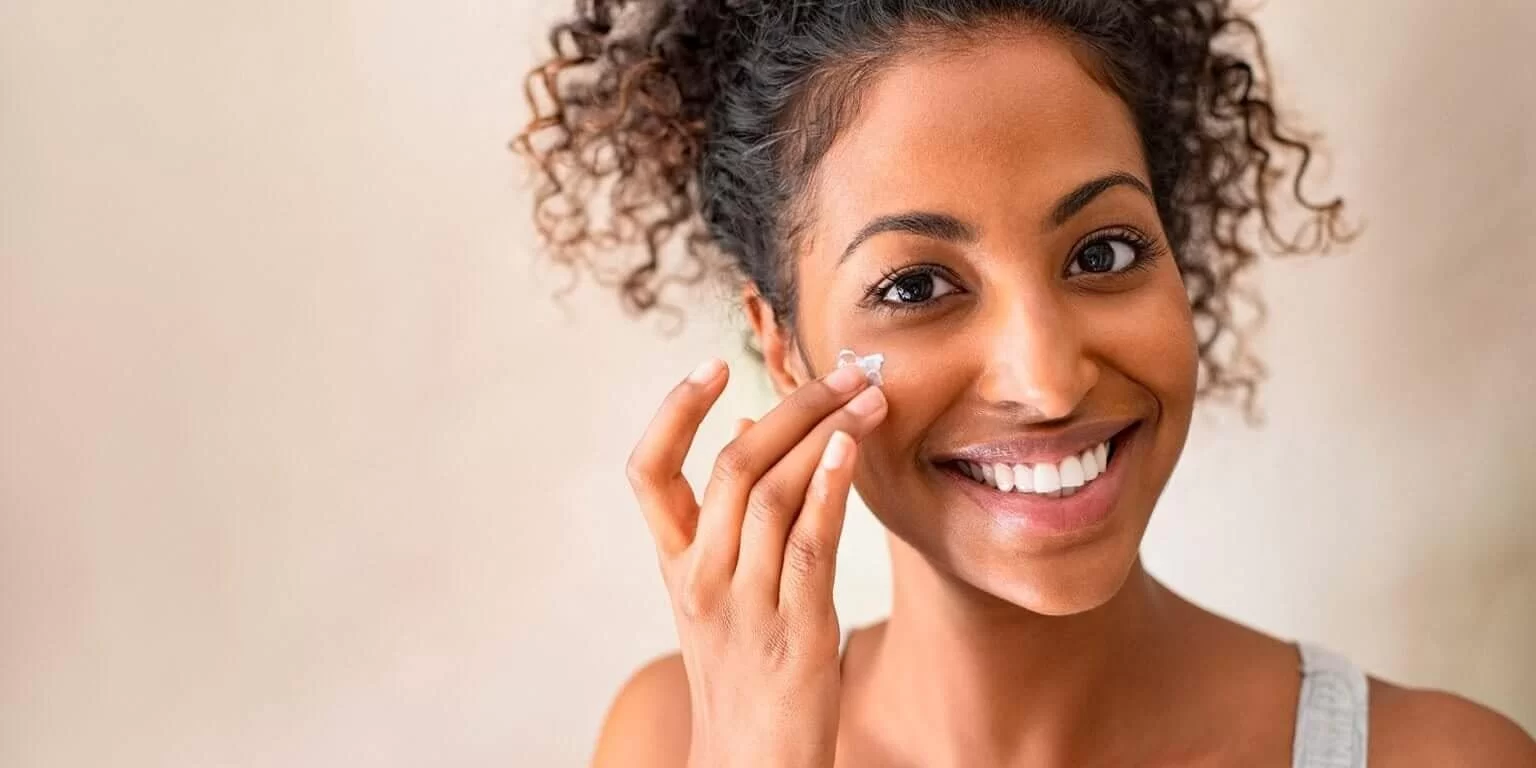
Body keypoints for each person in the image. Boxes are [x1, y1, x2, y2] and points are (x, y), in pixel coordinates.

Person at [515, 1, 1536, 765]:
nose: (1047, 381)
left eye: (1102, 252)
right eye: (916, 284)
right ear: (784, 348)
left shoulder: (1438, 758)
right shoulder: (671, 740)